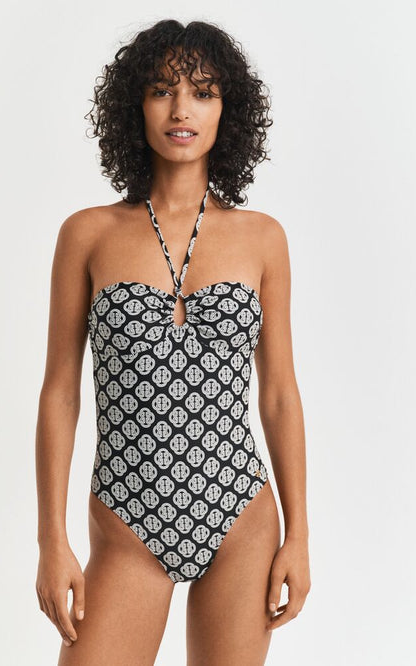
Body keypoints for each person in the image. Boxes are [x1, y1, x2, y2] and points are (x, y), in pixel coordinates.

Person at [35, 19, 311, 666]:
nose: (181, 109)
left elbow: (278, 394)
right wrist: (51, 539)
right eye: (162, 90)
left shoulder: (263, 238)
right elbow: (59, 394)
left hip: (241, 515)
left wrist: (298, 535)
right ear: (134, 105)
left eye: (203, 92)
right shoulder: (88, 234)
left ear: (227, 111)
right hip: (125, 520)